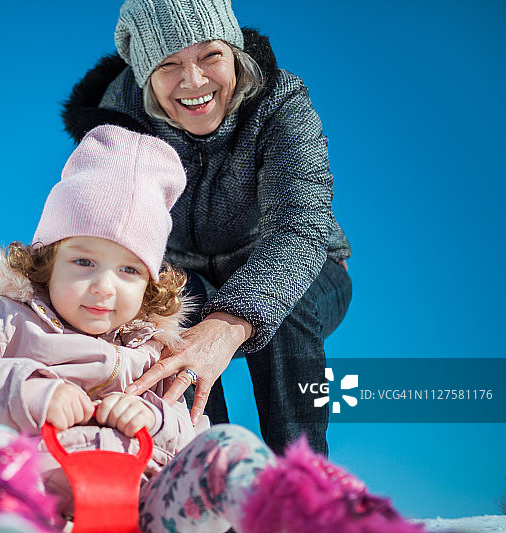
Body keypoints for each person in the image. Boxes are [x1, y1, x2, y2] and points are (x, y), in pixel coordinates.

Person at [0, 126, 420, 533]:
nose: (103, 288)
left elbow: (185, 437)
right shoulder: (2, 321)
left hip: (144, 509)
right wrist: (26, 391)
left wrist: (151, 417)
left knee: (225, 444)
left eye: (128, 271)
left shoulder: (158, 353)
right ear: (47, 260)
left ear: (150, 285)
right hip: (39, 498)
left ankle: (304, 514)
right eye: (82, 262)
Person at [61, 0, 352, 456]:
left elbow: (300, 225)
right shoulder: (118, 125)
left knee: (286, 308)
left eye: (210, 56)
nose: (194, 82)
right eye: (169, 64)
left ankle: (301, 484)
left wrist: (232, 319)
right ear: (144, 75)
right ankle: (200, 470)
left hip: (308, 266)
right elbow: (101, 235)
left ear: (233, 50)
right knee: (164, 319)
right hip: (185, 277)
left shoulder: (280, 103)